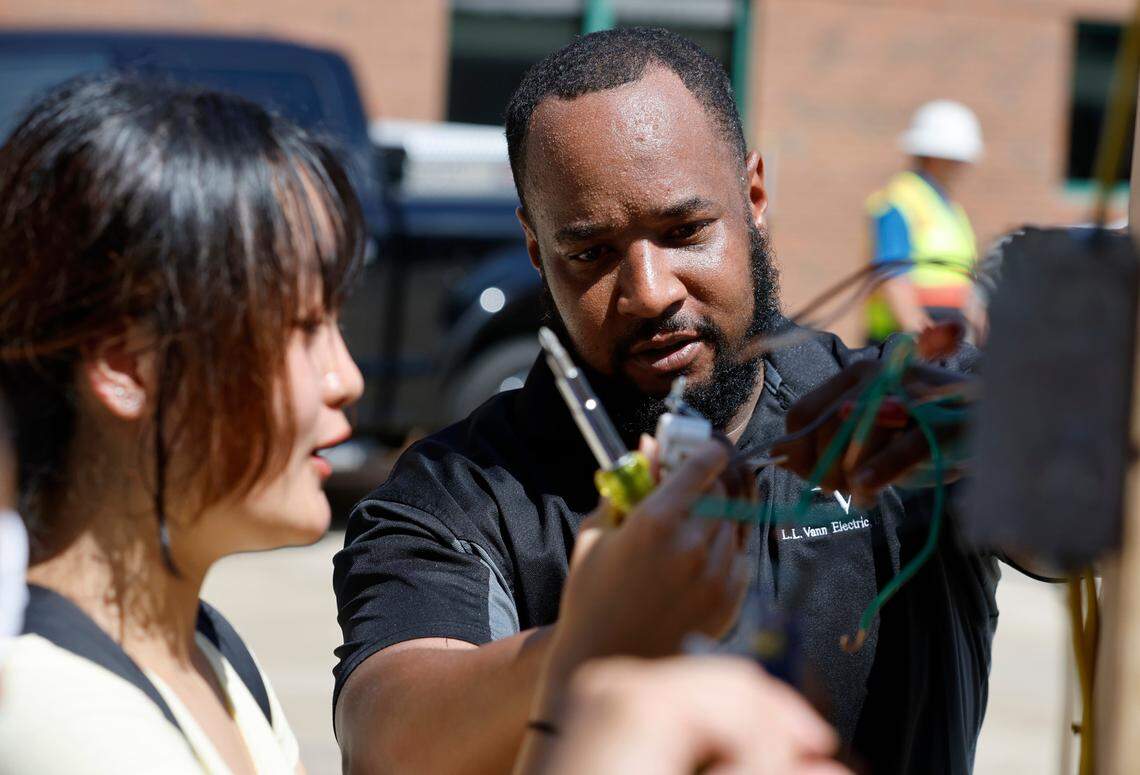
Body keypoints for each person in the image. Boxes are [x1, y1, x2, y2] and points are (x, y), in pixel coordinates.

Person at [334, 28, 995, 775]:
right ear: (534, 248)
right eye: (591, 253)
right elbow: (387, 738)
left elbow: (1077, 507)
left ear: (753, 196)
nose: (649, 290)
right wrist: (591, 634)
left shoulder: (900, 420)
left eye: (684, 231)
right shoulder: (460, 492)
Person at [0, 74, 365, 774]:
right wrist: (588, 674)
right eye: (303, 326)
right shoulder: (59, 715)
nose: (345, 377)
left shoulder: (208, 646)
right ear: (127, 365)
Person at [865, 100, 984, 344]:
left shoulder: (949, 209)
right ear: (932, 155)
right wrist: (921, 339)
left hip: (946, 336)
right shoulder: (899, 200)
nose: (962, 167)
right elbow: (893, 276)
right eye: (955, 158)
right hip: (904, 340)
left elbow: (963, 284)